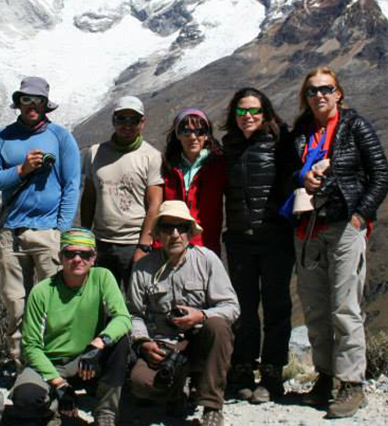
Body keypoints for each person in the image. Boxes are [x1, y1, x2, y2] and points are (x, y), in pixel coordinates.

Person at [292, 66, 388, 419]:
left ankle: (352, 384)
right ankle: (325, 377)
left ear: (339, 93)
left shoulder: (355, 127)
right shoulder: (302, 132)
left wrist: (360, 216)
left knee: (344, 305)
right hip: (308, 227)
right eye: (312, 90)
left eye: (326, 89)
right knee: (315, 306)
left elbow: (381, 176)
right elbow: (292, 170)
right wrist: (304, 177)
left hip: (344, 225)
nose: (319, 95)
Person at [0, 76, 81, 367]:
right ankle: (21, 366)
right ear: (18, 102)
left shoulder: (62, 138)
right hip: (11, 233)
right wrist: (21, 170)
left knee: (54, 304)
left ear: (46, 105)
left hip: (47, 233)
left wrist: (60, 231)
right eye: (26, 99)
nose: (32, 105)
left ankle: (55, 366)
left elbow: (72, 185)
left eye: (38, 100)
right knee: (16, 303)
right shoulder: (2, 138)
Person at [127, 200, 240, 426]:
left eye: (182, 227)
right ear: (157, 234)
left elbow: (231, 307)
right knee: (140, 384)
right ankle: (176, 391)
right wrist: (144, 342)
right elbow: (134, 314)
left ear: (190, 231)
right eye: (168, 228)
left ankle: (211, 408)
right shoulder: (143, 268)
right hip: (163, 346)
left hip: (200, 342)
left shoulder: (207, 260)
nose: (175, 234)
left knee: (218, 326)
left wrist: (201, 316)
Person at [11, 228, 132, 426]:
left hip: (88, 360)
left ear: (93, 258)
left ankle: (106, 415)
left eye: (85, 254)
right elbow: (31, 346)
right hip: (52, 362)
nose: (77, 259)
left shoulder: (102, 278)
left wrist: (98, 344)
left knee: (120, 340)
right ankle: (52, 409)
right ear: (60, 258)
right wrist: (59, 384)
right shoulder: (43, 291)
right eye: (70, 253)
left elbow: (122, 318)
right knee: (26, 397)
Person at [221, 87, 299, 404]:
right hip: (240, 238)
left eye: (254, 110)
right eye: (241, 111)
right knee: (244, 308)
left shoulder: (281, 143)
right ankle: (242, 370)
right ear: (234, 115)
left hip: (275, 238)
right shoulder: (228, 146)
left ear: (265, 113)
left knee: (277, 307)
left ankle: (271, 374)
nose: (248, 117)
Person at [81, 96, 163, 287]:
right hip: (100, 242)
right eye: (121, 119)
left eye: (133, 119)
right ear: (113, 121)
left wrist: (144, 245)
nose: (127, 124)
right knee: (102, 303)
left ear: (142, 123)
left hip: (133, 243)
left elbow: (155, 204)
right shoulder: (94, 153)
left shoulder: (151, 156)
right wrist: (85, 237)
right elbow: (89, 197)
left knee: (137, 304)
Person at [160, 108, 226, 255]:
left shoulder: (219, 166)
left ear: (207, 135)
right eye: (186, 131)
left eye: (199, 131)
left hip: (206, 246)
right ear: (178, 134)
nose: (193, 137)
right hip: (170, 247)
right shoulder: (166, 167)